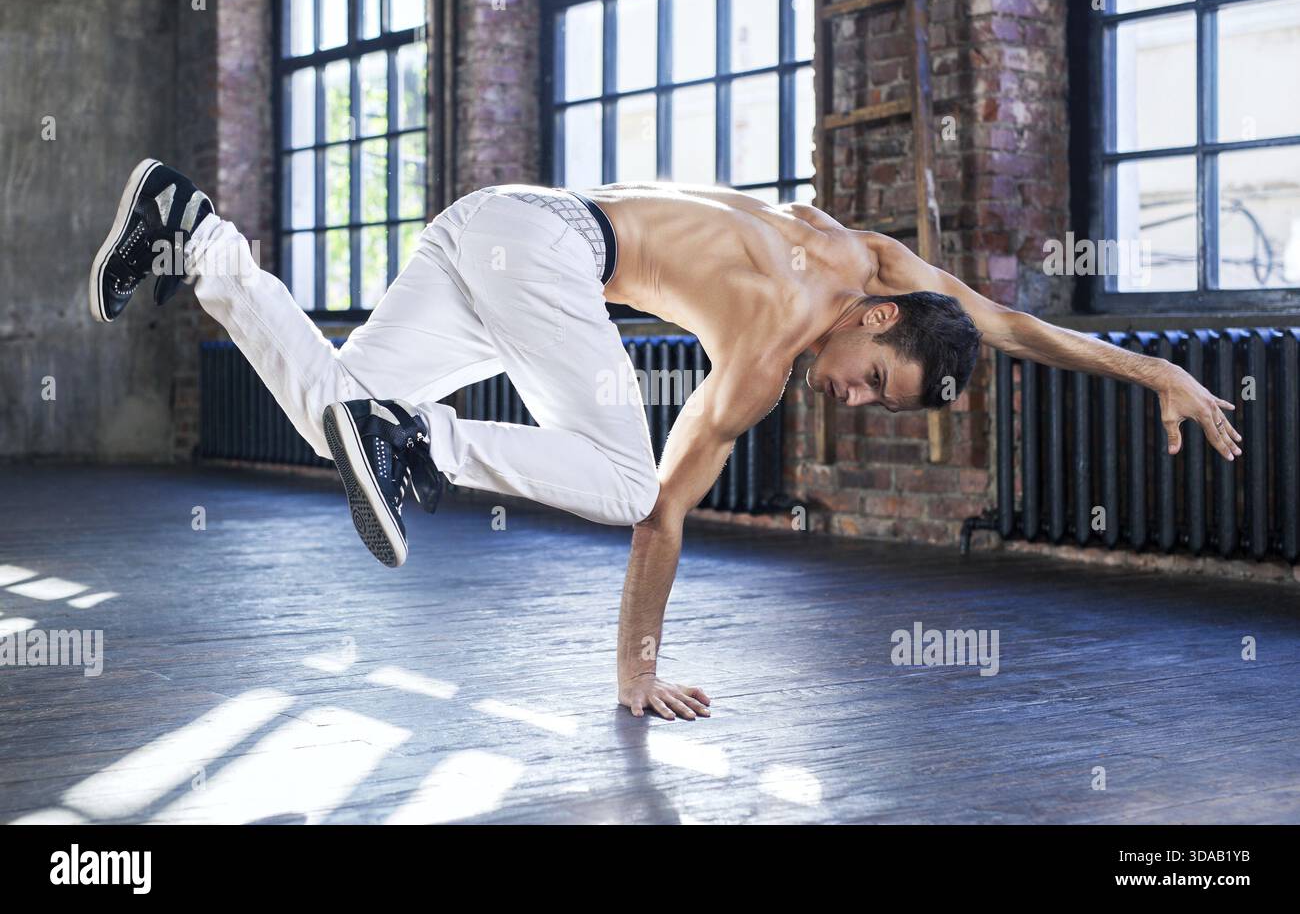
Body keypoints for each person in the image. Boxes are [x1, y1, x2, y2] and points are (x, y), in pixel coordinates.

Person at [90, 162, 1242, 721]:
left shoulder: (858, 253)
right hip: (543, 251)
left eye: (877, 406)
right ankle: (421, 438)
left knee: (330, 408)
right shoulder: (769, 345)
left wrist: (1151, 367)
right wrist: (634, 667)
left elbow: (1003, 323)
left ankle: (197, 238)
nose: (852, 398)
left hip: (490, 226)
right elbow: (656, 508)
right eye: (873, 383)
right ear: (876, 321)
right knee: (619, 466)